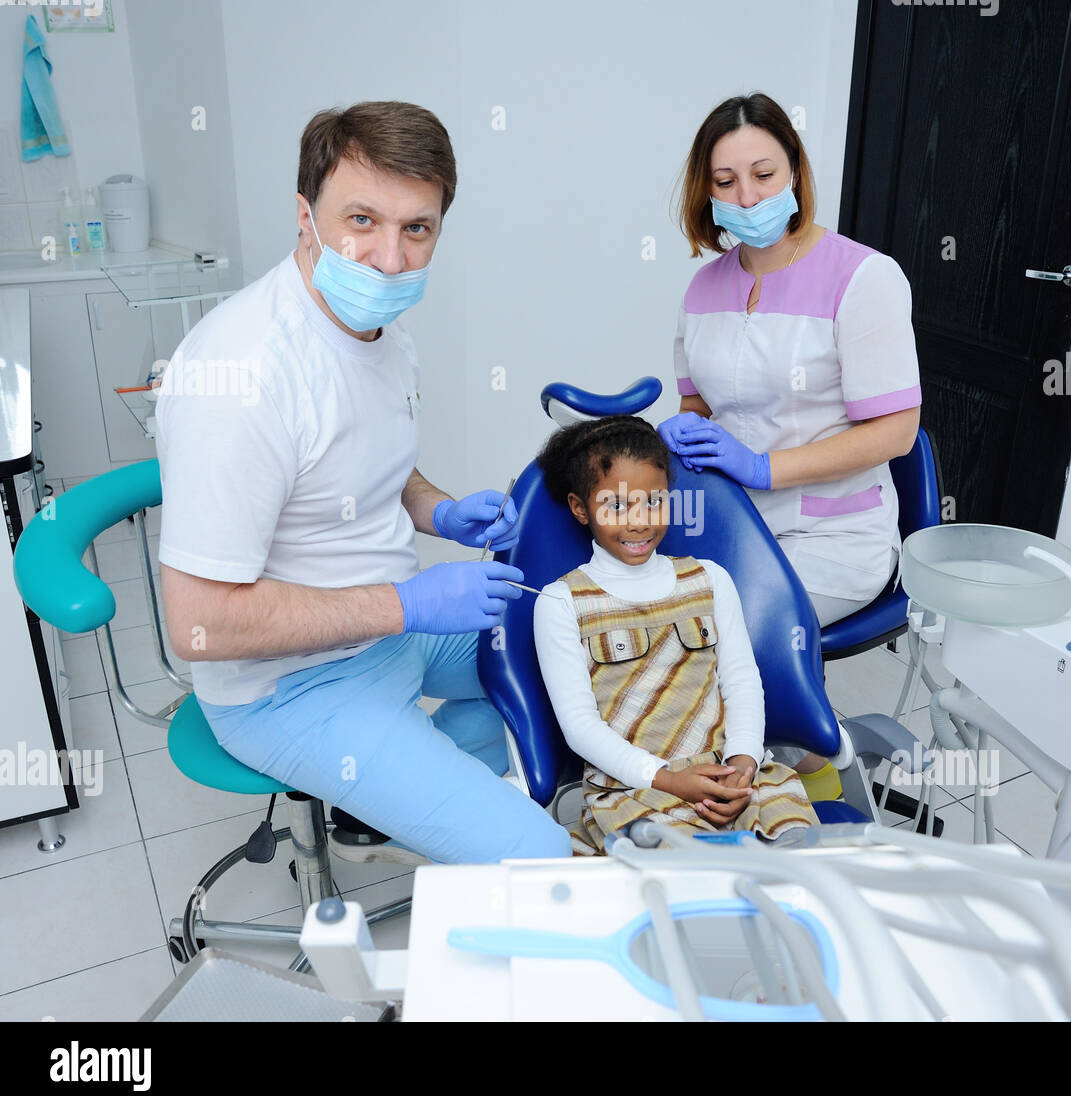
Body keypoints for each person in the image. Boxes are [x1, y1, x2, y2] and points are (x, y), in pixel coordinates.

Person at [156, 101, 570, 864]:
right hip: (288, 686)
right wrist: (407, 603)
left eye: (418, 228)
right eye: (362, 219)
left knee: (571, 646)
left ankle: (397, 792)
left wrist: (441, 512)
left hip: (386, 628)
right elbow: (197, 623)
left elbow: (356, 461)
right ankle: (427, 797)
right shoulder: (243, 375)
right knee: (536, 856)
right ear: (305, 215)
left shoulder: (380, 329)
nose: (389, 258)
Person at [659, 91, 922, 793]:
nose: (746, 194)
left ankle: (819, 769)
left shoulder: (862, 277)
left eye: (763, 174)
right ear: (705, 191)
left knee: (709, 647)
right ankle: (764, 767)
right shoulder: (703, 288)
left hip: (831, 534)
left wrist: (765, 466)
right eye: (725, 181)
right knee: (639, 617)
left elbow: (896, 432)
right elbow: (698, 401)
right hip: (732, 529)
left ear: (797, 173)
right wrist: (687, 430)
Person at [531, 416, 818, 854]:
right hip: (637, 790)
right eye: (618, 505)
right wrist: (669, 780)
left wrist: (743, 763)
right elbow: (580, 728)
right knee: (695, 885)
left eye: (654, 501)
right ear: (579, 507)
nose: (639, 522)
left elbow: (741, 683)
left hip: (732, 775)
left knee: (804, 861)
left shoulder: (710, 579)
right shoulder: (561, 603)